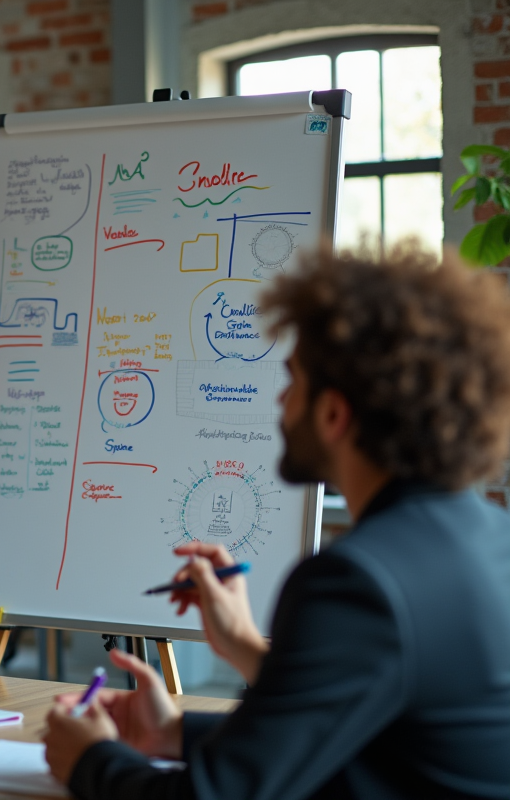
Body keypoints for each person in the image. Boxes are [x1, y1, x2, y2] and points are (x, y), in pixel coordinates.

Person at [42, 245, 510, 799]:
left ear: (334, 413)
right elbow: (377, 734)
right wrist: (177, 724)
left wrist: (90, 760)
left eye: (292, 381)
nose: (281, 400)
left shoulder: (357, 582)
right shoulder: (489, 537)